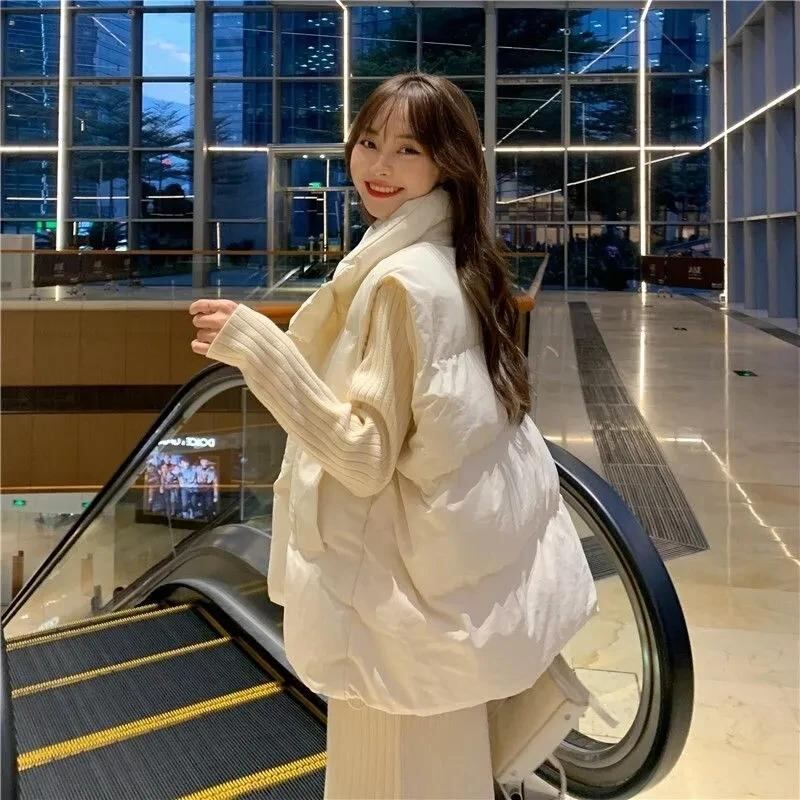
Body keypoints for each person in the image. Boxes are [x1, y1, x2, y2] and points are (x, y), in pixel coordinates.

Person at [189, 73, 597, 800]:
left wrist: (261, 352)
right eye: (369, 142)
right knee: (443, 767)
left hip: (388, 601)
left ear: (447, 161)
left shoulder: (397, 282)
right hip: (442, 590)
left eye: (408, 149)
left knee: (382, 770)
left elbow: (364, 456)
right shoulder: (458, 259)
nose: (378, 166)